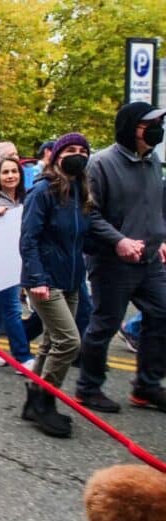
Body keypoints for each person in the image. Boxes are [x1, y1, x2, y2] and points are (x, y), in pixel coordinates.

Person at [76, 102, 166, 413]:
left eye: (160, 122)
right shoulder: (100, 164)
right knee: (104, 324)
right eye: (149, 124)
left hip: (150, 258)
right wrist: (120, 241)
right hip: (113, 261)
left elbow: (155, 206)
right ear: (130, 128)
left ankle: (146, 385)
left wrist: (161, 237)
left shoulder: (154, 161)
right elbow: (88, 213)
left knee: (163, 312)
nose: (157, 130)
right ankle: (88, 388)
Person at [19, 133, 93, 438]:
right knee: (69, 342)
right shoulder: (43, 192)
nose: (78, 155)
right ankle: (45, 399)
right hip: (45, 281)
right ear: (56, 156)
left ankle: (33, 399)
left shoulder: (80, 191)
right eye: (70, 150)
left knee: (51, 341)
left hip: (71, 278)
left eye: (82, 151)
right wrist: (37, 279)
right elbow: (28, 240)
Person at [0, 157, 36, 373]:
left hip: (18, 260)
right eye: (5, 172)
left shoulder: (25, 198)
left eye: (14, 171)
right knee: (12, 308)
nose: (10, 176)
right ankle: (22, 357)